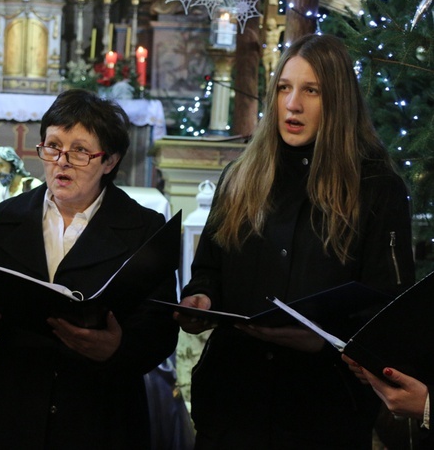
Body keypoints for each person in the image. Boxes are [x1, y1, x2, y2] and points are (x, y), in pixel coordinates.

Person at [175, 33, 415, 448]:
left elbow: (389, 306)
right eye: (284, 88)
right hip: (234, 403)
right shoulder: (240, 176)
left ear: (337, 100)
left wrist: (322, 340)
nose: (292, 105)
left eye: (311, 91)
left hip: (322, 410)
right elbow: (209, 269)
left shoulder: (376, 187)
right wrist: (201, 299)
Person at [0, 88, 179, 449]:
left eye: (80, 150)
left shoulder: (143, 228)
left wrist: (117, 347)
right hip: (12, 408)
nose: (62, 161)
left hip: (99, 412)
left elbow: (160, 330)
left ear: (110, 160)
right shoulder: (9, 217)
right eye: (53, 146)